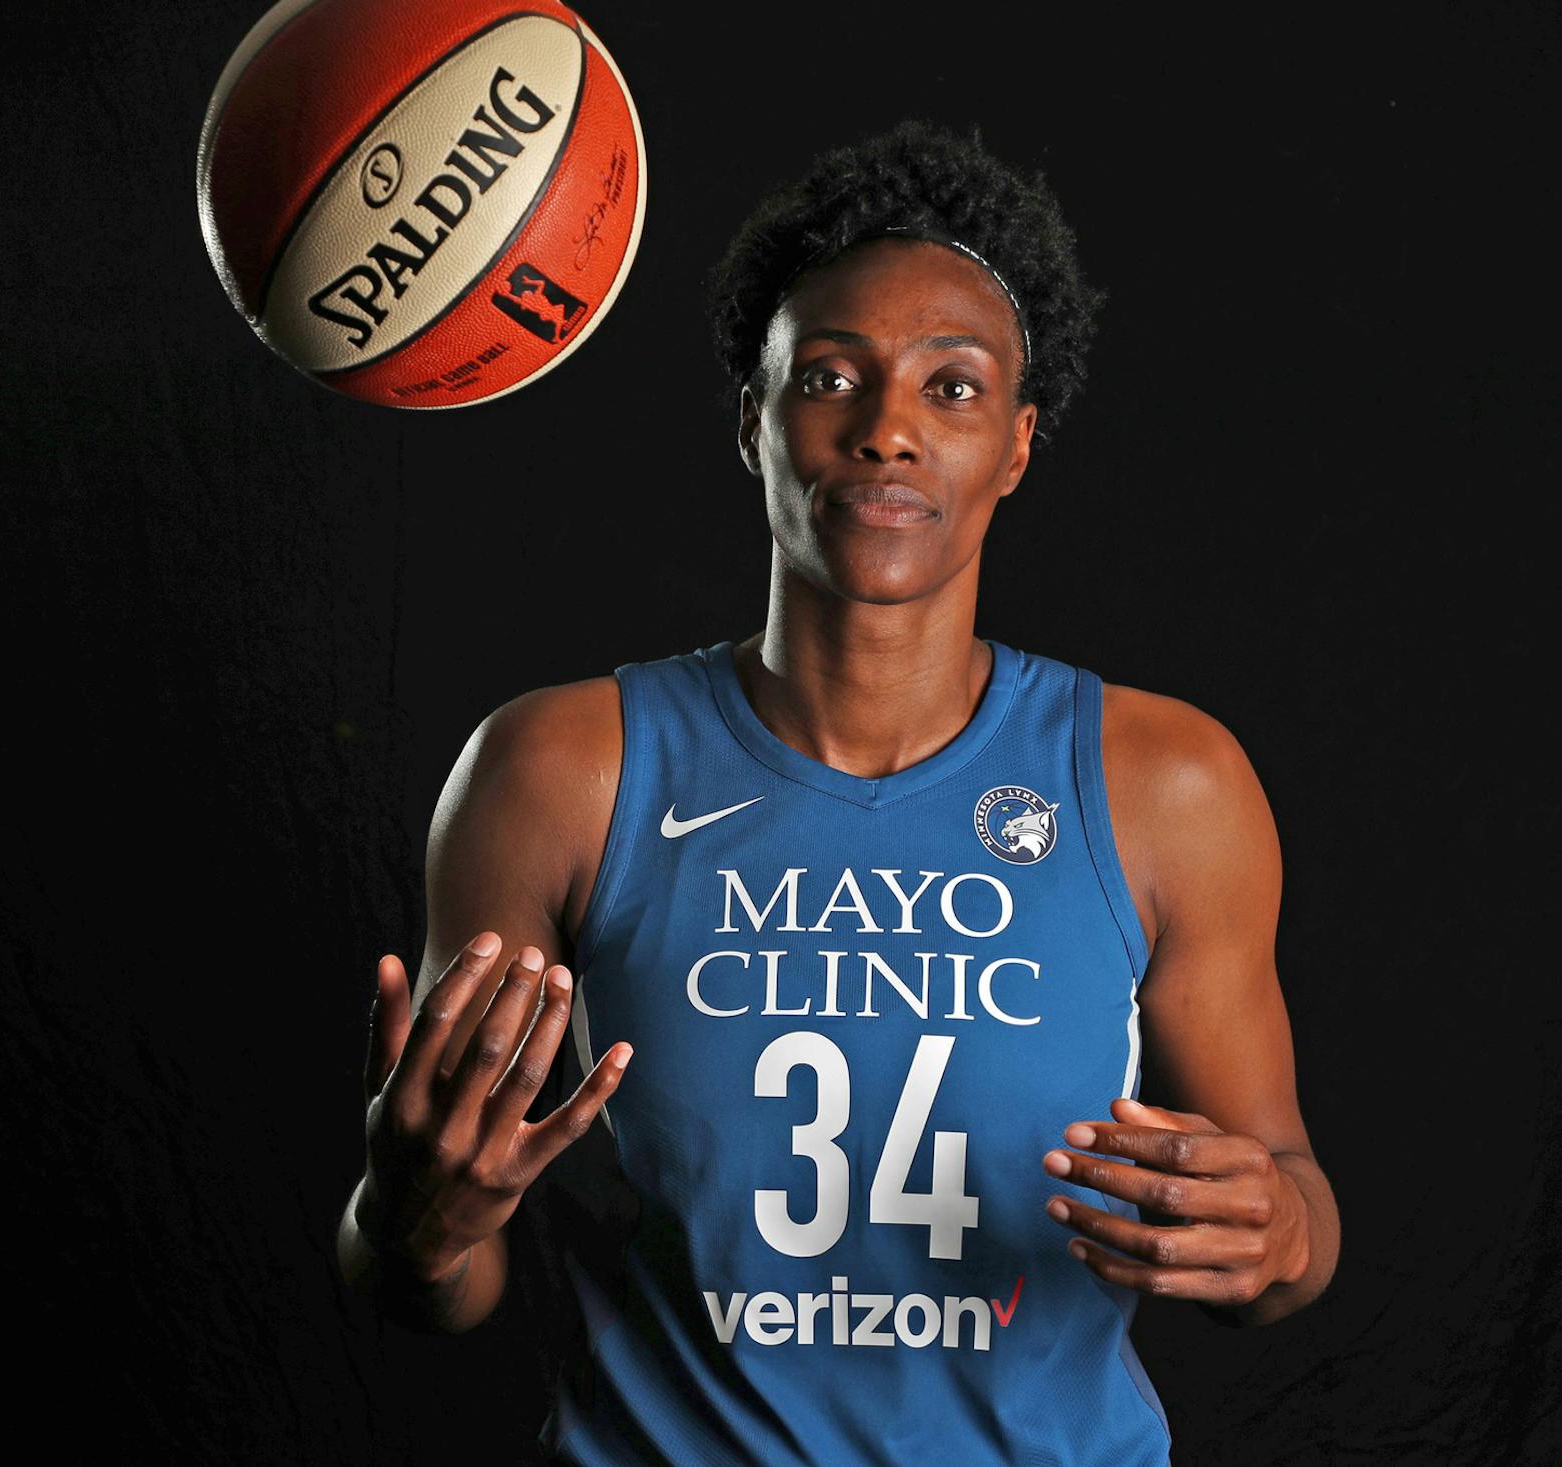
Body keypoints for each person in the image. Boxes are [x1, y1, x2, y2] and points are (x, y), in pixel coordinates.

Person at [335, 121, 1341, 1465]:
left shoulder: (1166, 782)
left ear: (1020, 446)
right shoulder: (561, 769)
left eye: (954, 389)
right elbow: (430, 1278)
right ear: (753, 423)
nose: (887, 433)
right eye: (829, 377)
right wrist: (415, 1216)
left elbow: (1290, 1217)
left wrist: (1272, 1231)